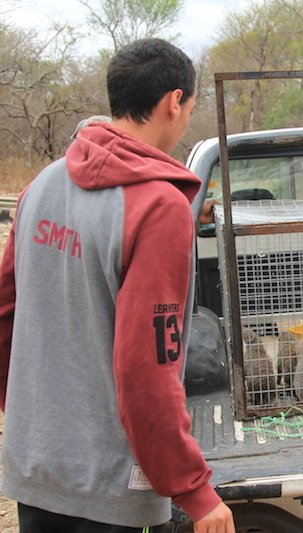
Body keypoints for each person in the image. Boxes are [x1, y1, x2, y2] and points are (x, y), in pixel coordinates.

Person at [0, 38, 235, 532]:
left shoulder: (41, 185)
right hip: (109, 484)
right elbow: (146, 367)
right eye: (189, 108)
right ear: (174, 102)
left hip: (37, 462)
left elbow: (5, 313)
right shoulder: (159, 207)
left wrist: (29, 419)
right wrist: (194, 490)